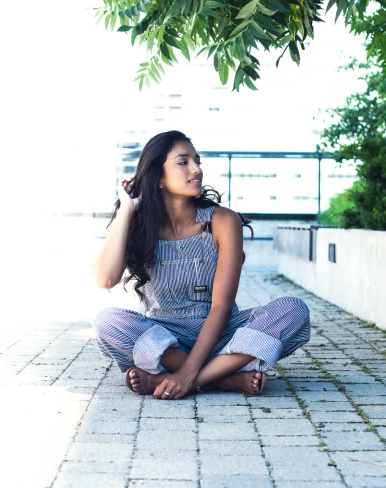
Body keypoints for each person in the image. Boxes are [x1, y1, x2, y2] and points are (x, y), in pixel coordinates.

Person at [92, 130, 311, 400]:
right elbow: (104, 279)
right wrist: (126, 208)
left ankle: (184, 378)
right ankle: (226, 378)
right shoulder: (141, 226)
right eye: (183, 162)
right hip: (167, 338)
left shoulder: (223, 221)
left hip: (223, 334)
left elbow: (222, 306)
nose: (196, 169)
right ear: (158, 176)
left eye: (197, 161)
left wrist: (187, 378)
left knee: (294, 310)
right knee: (107, 322)